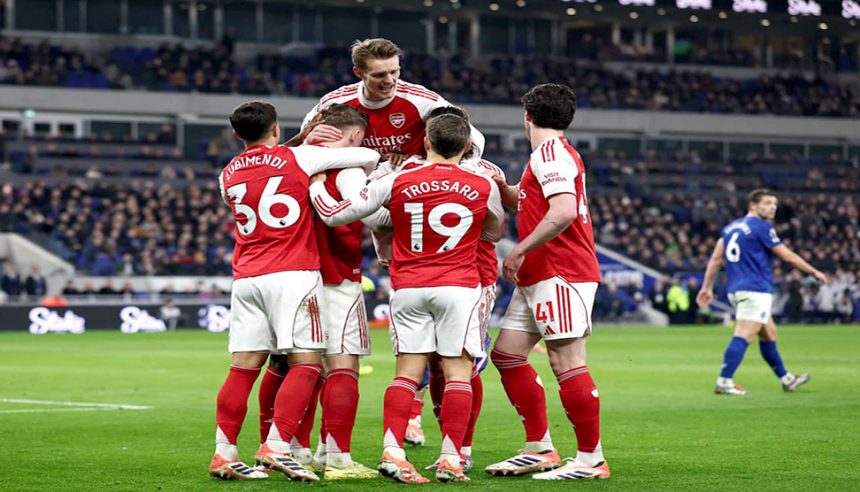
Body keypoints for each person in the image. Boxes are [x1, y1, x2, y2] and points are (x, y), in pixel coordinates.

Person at [309, 114, 503, 483]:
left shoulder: (396, 180)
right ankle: (451, 458)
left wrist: (318, 184)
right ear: (466, 147)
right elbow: (493, 232)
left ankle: (392, 452)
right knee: (458, 373)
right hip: (459, 287)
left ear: (426, 142)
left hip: (409, 286)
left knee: (407, 375)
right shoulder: (483, 183)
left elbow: (336, 215)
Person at [208, 100, 379, 481]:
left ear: (236, 134)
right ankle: (278, 445)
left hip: (246, 277)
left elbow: (259, 169)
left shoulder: (228, 172)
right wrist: (307, 144)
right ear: (276, 127)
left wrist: (297, 140)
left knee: (243, 367)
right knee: (307, 363)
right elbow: (367, 156)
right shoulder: (299, 158)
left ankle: (224, 452)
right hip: (293, 272)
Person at [485, 83, 610, 480]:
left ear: (527, 116)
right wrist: (495, 182)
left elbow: (564, 211)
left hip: (561, 270)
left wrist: (518, 250)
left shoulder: (551, 153)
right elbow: (523, 200)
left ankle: (591, 459)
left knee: (565, 361)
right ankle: (539, 448)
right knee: (507, 355)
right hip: (541, 272)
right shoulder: (548, 155)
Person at [257, 104, 388, 480]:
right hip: (335, 277)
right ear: (355, 136)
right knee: (342, 367)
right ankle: (338, 458)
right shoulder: (348, 168)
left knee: (293, 365)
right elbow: (367, 214)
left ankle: (294, 449)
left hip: (289, 276)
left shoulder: (289, 164)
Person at [696, 189, 828, 396]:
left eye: (774, 204)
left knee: (769, 333)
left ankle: (787, 379)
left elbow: (715, 259)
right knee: (743, 335)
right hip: (755, 290)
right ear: (753, 205)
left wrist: (706, 287)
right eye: (767, 203)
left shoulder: (730, 228)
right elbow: (787, 256)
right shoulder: (761, 227)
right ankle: (724, 381)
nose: (772, 207)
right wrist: (813, 271)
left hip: (737, 289)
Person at [295, 38, 484, 165]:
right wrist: (308, 141)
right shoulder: (334, 102)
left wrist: (464, 168)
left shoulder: (423, 100)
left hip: (407, 185)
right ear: (359, 73)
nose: (390, 80)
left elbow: (475, 139)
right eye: (379, 75)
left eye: (394, 71)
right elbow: (300, 145)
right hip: (353, 185)